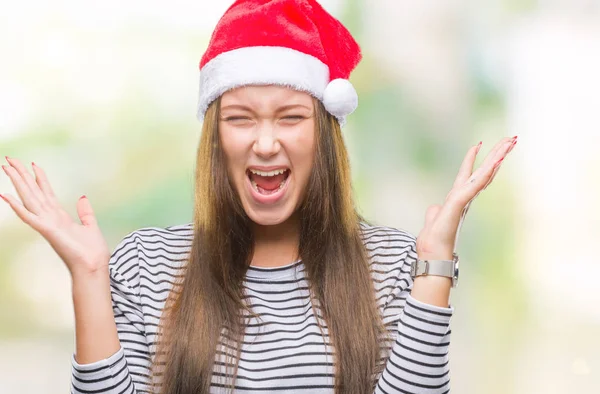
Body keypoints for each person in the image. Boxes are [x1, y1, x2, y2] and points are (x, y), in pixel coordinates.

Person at [0, 0, 517, 393]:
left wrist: (435, 264)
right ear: (216, 139)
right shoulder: (146, 264)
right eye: (240, 118)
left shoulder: (393, 263)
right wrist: (89, 279)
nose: (265, 143)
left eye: (290, 117)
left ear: (324, 138)